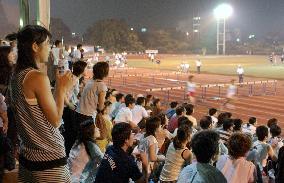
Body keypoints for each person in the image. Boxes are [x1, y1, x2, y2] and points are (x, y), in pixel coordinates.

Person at [10, 25, 73, 182]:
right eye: (47, 44)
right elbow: (56, 120)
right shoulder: (37, 77)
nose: (50, 49)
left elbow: (40, 112)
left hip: (28, 158)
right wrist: (61, 88)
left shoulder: (16, 75)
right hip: (49, 160)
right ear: (35, 46)